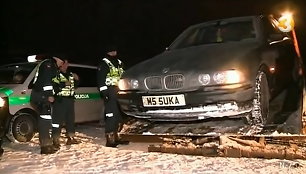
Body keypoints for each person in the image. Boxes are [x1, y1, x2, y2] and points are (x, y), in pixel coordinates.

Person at [30, 55, 64, 154]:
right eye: (62, 60)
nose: (63, 62)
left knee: (46, 120)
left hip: (42, 96)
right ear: (57, 58)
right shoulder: (48, 65)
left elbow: (54, 83)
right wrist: (49, 95)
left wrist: (59, 88)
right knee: (44, 120)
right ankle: (46, 147)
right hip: (41, 96)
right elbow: (46, 82)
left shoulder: (53, 67)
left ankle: (47, 145)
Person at [97, 45, 129, 147]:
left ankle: (117, 137)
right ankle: (110, 139)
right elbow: (101, 79)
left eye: (115, 51)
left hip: (120, 90)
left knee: (119, 115)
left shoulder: (119, 63)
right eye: (112, 51)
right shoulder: (104, 63)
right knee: (111, 115)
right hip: (110, 90)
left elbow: (124, 75)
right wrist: (104, 93)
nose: (114, 53)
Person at [52, 59, 81, 148]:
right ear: (62, 64)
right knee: (57, 121)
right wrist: (63, 84)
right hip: (60, 101)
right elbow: (53, 87)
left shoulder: (71, 74)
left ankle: (71, 138)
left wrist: (77, 80)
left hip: (70, 100)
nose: (68, 64)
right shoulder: (56, 74)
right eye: (66, 63)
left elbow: (75, 86)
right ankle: (55, 139)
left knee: (70, 119)